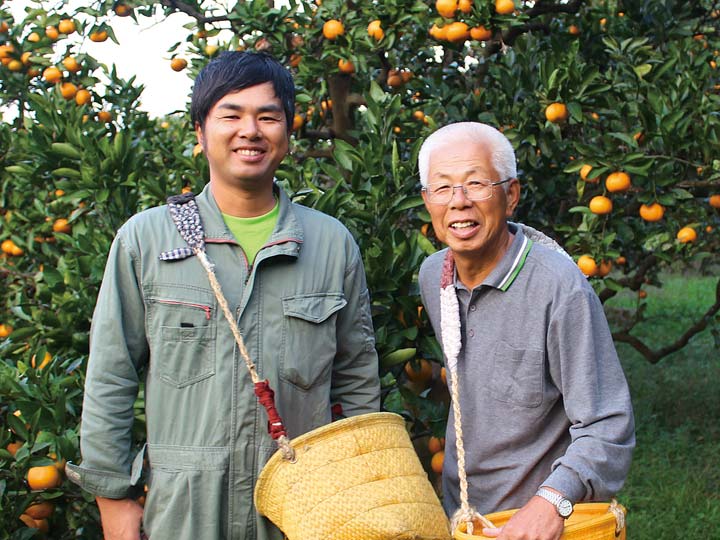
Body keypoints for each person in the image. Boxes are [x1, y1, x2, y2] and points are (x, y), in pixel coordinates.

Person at [66, 52, 380, 540]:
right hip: (183, 509)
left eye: (268, 116)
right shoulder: (147, 240)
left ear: (287, 133)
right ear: (200, 132)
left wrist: (361, 492)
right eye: (231, 115)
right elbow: (111, 374)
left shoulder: (330, 244)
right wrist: (113, 498)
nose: (250, 130)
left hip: (300, 509)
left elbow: (357, 380)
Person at [417, 122, 635, 540]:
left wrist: (554, 501)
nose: (458, 203)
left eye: (476, 184)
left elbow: (608, 425)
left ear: (511, 195)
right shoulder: (434, 277)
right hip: (462, 518)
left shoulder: (560, 287)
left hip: (538, 524)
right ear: (427, 200)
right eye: (442, 188)